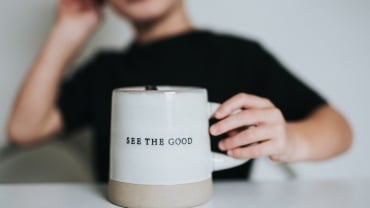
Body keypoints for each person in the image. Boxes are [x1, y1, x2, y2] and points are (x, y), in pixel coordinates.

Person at [7, 0, 352, 182]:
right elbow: (25, 130)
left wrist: (290, 140)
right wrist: (68, 31)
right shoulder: (104, 70)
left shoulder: (240, 55)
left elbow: (338, 129)